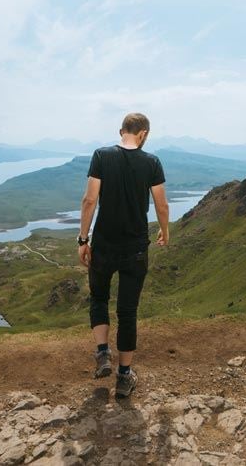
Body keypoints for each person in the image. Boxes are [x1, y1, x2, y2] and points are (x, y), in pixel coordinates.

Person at [78, 112, 169, 398]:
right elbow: (161, 204)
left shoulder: (101, 156)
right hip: (135, 248)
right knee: (128, 311)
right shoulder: (151, 162)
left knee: (99, 298)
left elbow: (89, 200)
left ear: (122, 131)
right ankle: (124, 377)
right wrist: (165, 231)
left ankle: (103, 353)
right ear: (143, 134)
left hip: (104, 245)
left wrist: (83, 239)